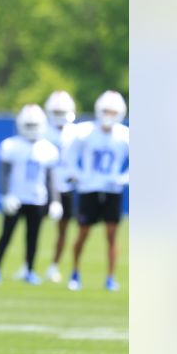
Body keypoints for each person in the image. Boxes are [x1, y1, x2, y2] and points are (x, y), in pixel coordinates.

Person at [65, 91, 130, 291]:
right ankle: (75, 272)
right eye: (106, 111)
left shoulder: (124, 135)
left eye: (113, 112)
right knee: (83, 233)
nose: (109, 115)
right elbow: (70, 155)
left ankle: (110, 278)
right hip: (89, 188)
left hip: (112, 190)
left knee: (111, 235)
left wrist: (123, 178)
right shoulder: (84, 132)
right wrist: (78, 175)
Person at [0, 105, 60, 285]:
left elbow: (51, 178)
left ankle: (30, 271)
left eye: (34, 125)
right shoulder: (11, 145)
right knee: (6, 235)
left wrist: (55, 201)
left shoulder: (48, 148)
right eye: (28, 125)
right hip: (15, 198)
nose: (31, 129)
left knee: (33, 238)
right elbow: (4, 173)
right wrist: (6, 195)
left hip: (37, 199)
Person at [43, 91, 80, 282]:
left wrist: (78, 174)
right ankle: (28, 264)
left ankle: (54, 266)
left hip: (65, 185)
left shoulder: (76, 132)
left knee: (63, 229)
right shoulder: (42, 130)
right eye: (55, 111)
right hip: (44, 186)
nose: (58, 115)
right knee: (33, 226)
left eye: (61, 111)